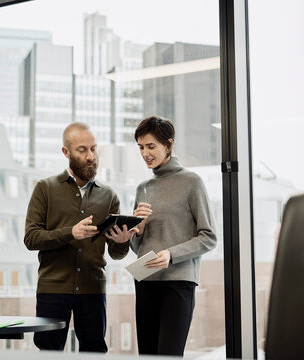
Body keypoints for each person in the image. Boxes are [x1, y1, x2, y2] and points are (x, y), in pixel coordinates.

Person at [23, 122, 135, 353]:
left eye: (94, 149)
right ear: (66, 152)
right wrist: (70, 233)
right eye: (82, 150)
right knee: (49, 350)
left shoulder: (109, 196)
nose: (91, 156)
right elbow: (31, 238)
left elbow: (115, 252)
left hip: (93, 289)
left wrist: (123, 242)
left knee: (94, 350)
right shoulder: (45, 188)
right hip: (53, 289)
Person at [130, 115, 217, 356]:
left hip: (178, 282)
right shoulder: (143, 188)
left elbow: (209, 237)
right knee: (147, 355)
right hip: (145, 280)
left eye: (151, 146)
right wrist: (139, 229)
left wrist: (171, 254)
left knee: (169, 355)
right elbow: (137, 246)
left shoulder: (192, 182)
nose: (145, 153)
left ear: (168, 144)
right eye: (140, 148)